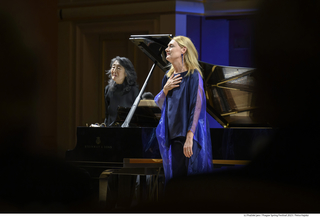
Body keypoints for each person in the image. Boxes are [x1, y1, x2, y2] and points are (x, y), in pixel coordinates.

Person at [154, 36, 213, 182]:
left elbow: (196, 107)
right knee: (177, 181)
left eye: (171, 46)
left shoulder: (193, 76)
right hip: (173, 136)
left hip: (188, 136)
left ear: (183, 50)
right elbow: (160, 104)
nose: (167, 49)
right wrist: (165, 90)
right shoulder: (167, 78)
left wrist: (189, 137)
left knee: (190, 181)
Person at [104, 56, 139, 126]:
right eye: (113, 67)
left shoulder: (134, 90)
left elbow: (137, 117)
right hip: (111, 131)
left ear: (126, 73)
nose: (114, 70)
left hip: (127, 132)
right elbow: (108, 115)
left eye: (118, 68)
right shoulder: (108, 89)